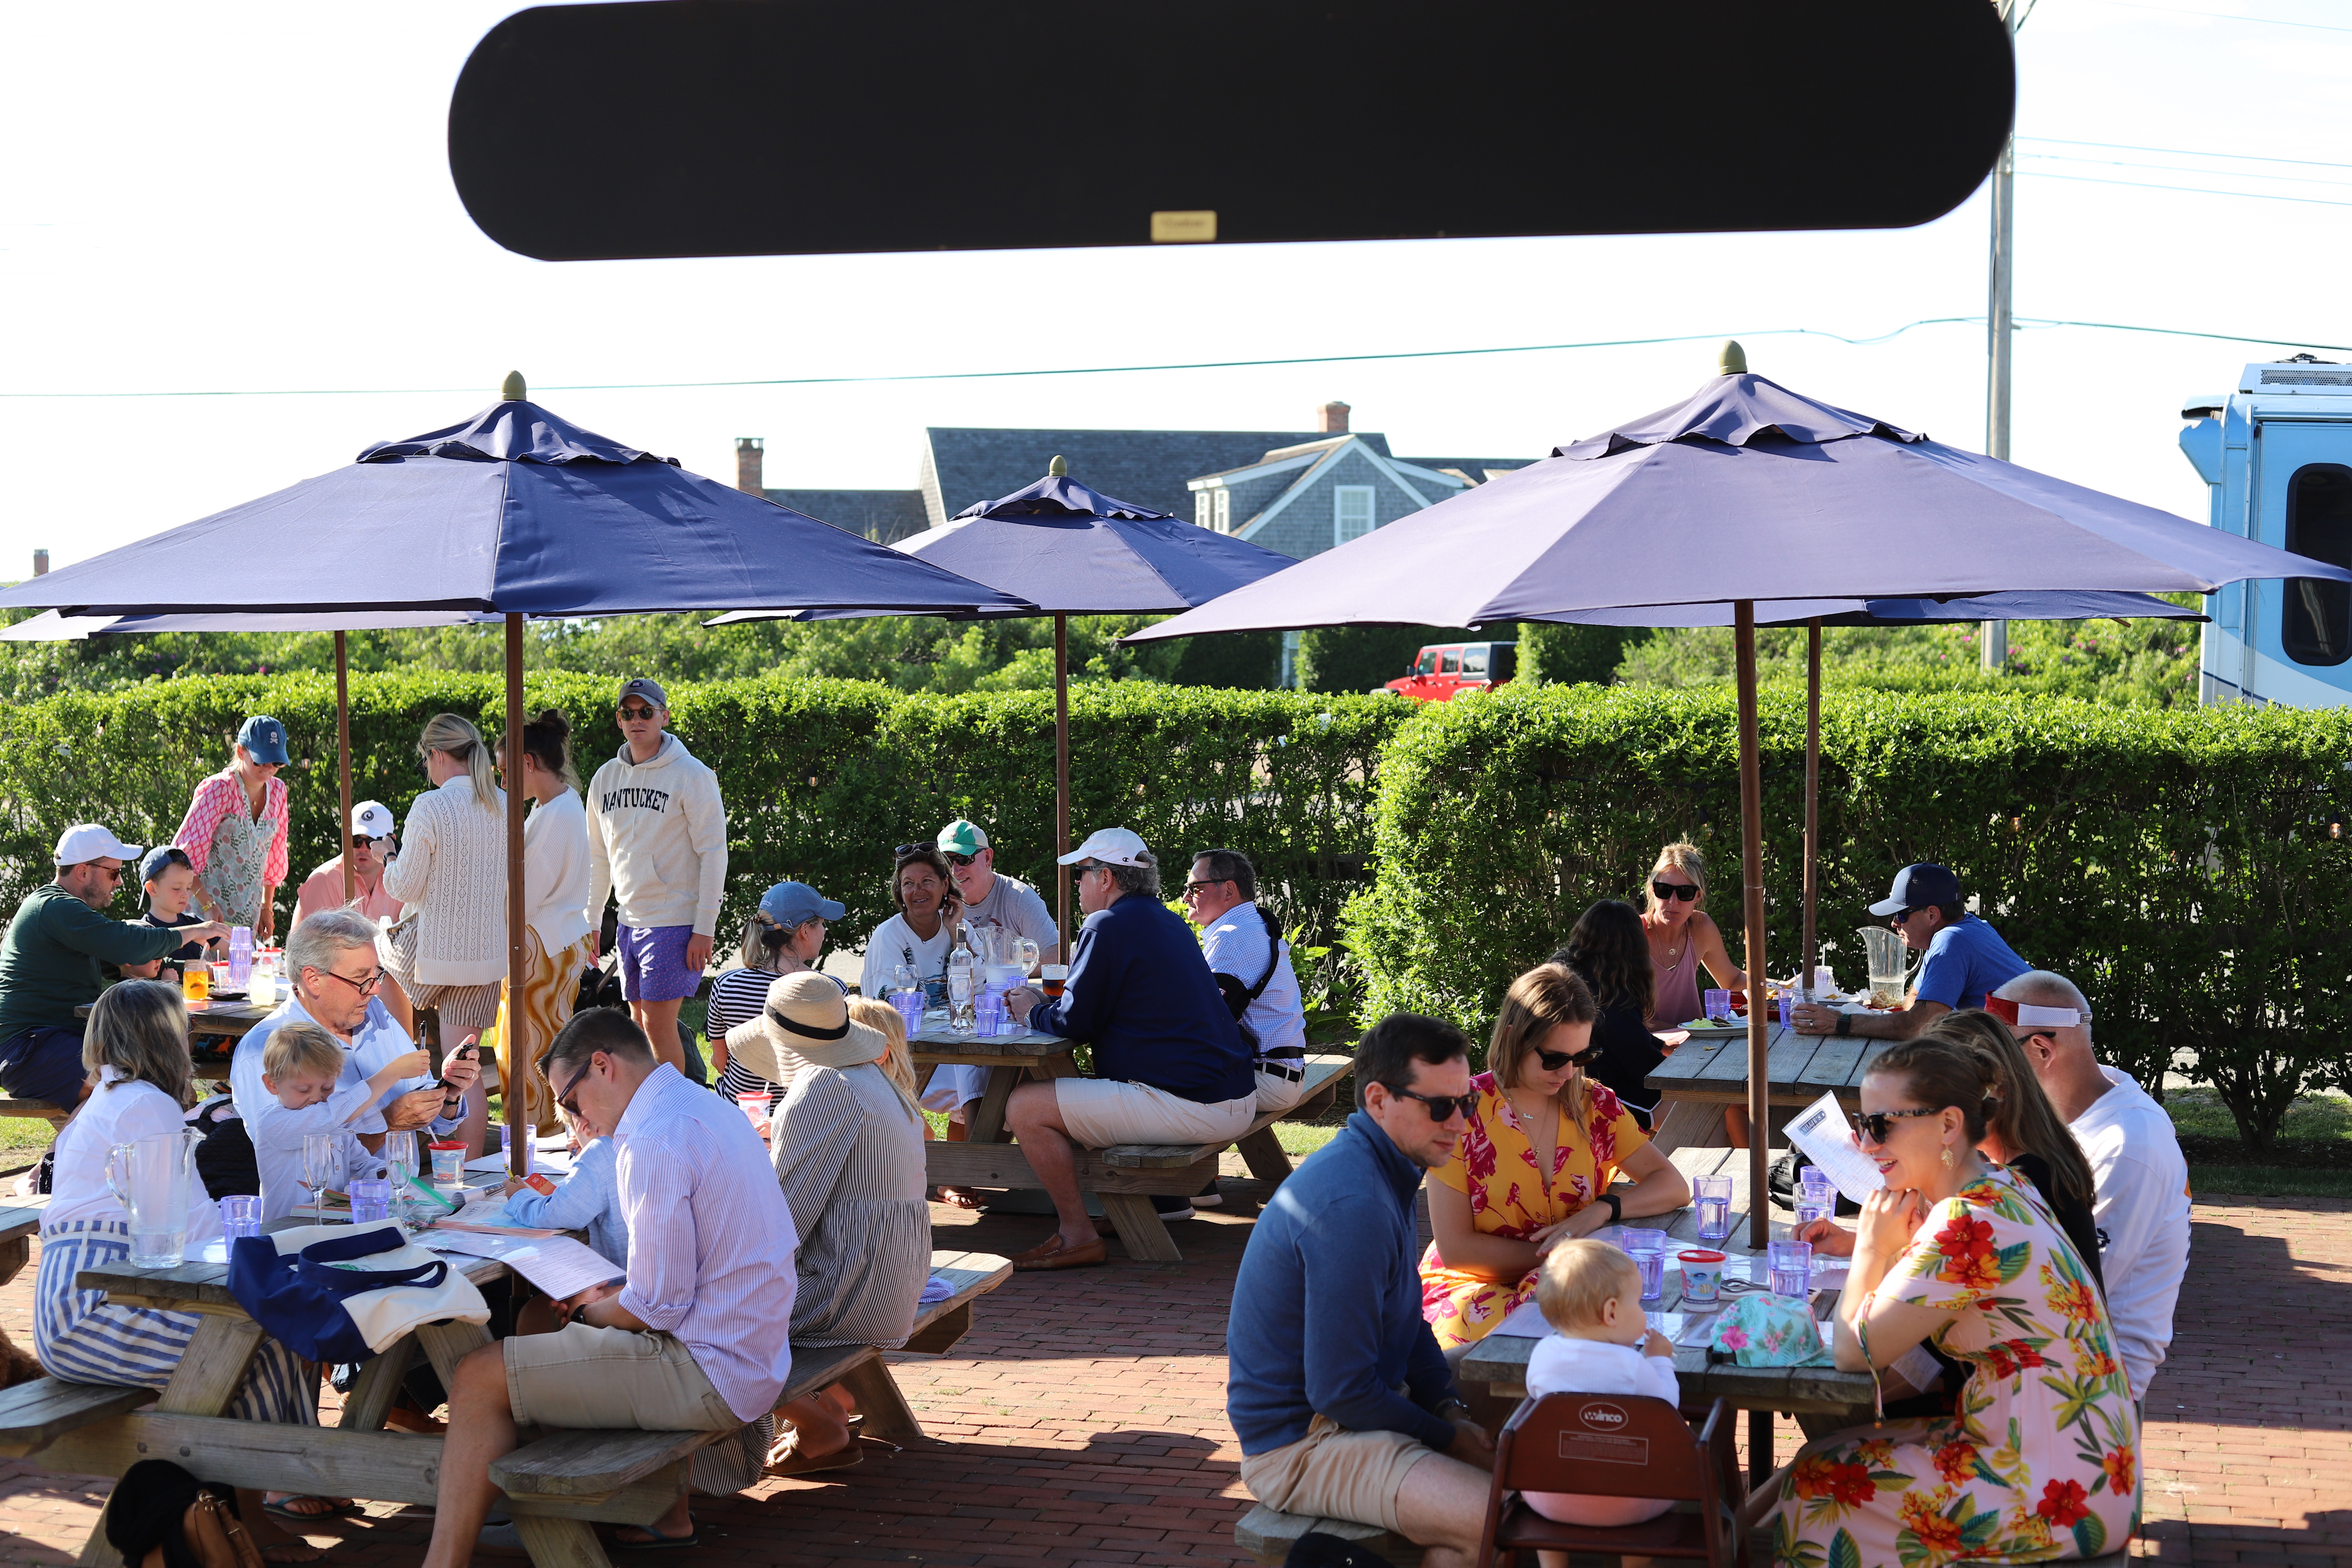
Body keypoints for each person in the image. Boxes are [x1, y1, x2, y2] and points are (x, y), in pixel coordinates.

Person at [1739, 1035, 2136, 1563]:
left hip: (2052, 1486)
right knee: (1819, 1457)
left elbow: (1853, 1353)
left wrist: (1873, 1249)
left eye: (1882, 1125)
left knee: (1821, 1489)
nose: (1865, 1143)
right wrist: (1876, 1244)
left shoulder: (1968, 1219)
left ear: (1949, 1126)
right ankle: (1724, 1542)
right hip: (2074, 1459)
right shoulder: (2005, 1188)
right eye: (1863, 1124)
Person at [420, 1008, 796, 1563]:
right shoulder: (703, 1106)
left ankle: (444, 1561)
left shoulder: (650, 1140)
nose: (577, 1122)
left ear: (603, 1066)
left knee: (477, 1376)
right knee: (531, 1325)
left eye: (570, 1103)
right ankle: (587, 1508)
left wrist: (585, 1311)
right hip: (751, 1353)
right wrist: (592, 1307)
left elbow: (657, 1306)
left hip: (710, 1369)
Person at [34, 980, 325, 1565]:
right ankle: (283, 1489)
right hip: (89, 1311)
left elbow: (179, 1224)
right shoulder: (147, 1105)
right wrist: (280, 1238)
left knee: (254, 1336)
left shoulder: (114, 1099)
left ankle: (266, 1498)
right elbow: (187, 1229)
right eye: (183, 1031)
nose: (192, 1041)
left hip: (78, 1302)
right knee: (256, 1342)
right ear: (162, 1038)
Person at [1226, 1012, 1496, 1568]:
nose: (1461, 1123)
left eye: (1466, 1103)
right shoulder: (1355, 1204)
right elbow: (1341, 1391)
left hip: (1354, 1407)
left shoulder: (1385, 1168)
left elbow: (1407, 1322)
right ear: (1378, 1100)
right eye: (1441, 1106)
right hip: (1302, 1444)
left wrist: (1446, 1406)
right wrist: (1447, 1437)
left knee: (1540, 1376)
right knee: (1499, 1519)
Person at [1003, 828, 1256, 1271]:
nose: (1077, 882)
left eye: (1081, 872)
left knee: (1025, 1106)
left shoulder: (1107, 924)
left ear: (1106, 878)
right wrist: (1050, 1008)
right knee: (1070, 1097)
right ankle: (1113, 1213)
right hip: (1228, 1093)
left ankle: (1076, 1235)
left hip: (1192, 1102)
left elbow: (1074, 1023)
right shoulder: (1165, 919)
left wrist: (1031, 1012)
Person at [1419, 963, 1690, 1353]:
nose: (1567, 1072)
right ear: (1515, 1038)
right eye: (1554, 1058)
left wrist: (1601, 1210)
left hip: (1568, 1281)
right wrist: (1565, 1257)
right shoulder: (1461, 1113)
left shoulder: (1594, 1104)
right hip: (1473, 1285)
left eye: (1582, 1057)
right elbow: (1458, 1249)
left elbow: (1673, 1186)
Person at [726, 974, 928, 1475]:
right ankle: (831, 1405)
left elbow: (781, 1224)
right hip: (893, 1281)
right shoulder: (873, 1079)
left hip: (853, 1291)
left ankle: (820, 1427)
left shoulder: (822, 1086)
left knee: (696, 1318)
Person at [1994, 969, 2190, 1405]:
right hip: (2045, 1358)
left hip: (2089, 1392)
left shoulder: (2128, 1145)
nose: (1989, 1074)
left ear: (2042, 1050)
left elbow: (2068, 1290)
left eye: (1996, 1058)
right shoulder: (2079, 1105)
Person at [232, 909, 479, 1170]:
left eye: (376, 974)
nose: (375, 988)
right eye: (362, 978)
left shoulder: (374, 1014)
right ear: (313, 980)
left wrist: (448, 1092)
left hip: (402, 1196)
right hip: (319, 1209)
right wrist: (388, 1123)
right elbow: (297, 1166)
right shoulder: (264, 1051)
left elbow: (433, 1120)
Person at [0, 825, 225, 1110]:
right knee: (125, 1088)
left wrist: (207, 971)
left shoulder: (68, 913)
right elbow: (128, 945)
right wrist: (194, 932)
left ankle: (69, 1154)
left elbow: (133, 960)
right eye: (114, 873)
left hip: (57, 1042)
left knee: (148, 1079)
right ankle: (61, 1156)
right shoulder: (57, 907)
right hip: (29, 1050)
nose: (118, 883)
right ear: (83, 872)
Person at [585, 677, 729, 1075]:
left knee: (658, 1027)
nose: (637, 719)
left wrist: (705, 927)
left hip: (675, 921)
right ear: (618, 720)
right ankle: (646, 1114)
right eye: (628, 713)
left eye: (646, 711)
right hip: (630, 921)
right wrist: (592, 921)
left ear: (664, 716)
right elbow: (597, 857)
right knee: (636, 1027)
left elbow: (714, 853)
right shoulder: (604, 779)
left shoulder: (692, 775)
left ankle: (672, 1120)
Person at [380, 714, 507, 1149]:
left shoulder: (430, 805)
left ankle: (394, 1074)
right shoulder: (505, 804)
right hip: (486, 958)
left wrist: (388, 858)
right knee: (463, 1071)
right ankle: (467, 1173)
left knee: (376, 953)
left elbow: (405, 886)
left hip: (429, 959)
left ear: (436, 755)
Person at [1521, 1240, 1680, 1531]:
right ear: (1612, 1314)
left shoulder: (1543, 1354)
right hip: (1628, 1502)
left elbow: (1535, 1399)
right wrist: (1660, 1361)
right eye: (1639, 1302)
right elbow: (1667, 1409)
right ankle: (1635, 1564)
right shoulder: (1633, 1367)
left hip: (1548, 1498)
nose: (1643, 1312)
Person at [1790, 862, 2030, 1041]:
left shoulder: (1952, 940)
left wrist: (1841, 1022)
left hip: (2037, 1056)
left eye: (1901, 915)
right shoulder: (1962, 930)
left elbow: (1920, 1026)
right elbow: (1913, 1003)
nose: (1894, 923)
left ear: (1933, 915)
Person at [931, 818, 1062, 1144]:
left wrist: (998, 970)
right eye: (947, 861)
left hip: (1011, 1021)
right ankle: (966, 1167)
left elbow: (1055, 957)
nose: (956, 869)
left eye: (964, 859)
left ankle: (973, 1167)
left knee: (977, 1065)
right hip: (956, 1020)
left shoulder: (1018, 897)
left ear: (987, 858)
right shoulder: (939, 903)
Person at [498, 711, 597, 1133]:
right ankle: (546, 1139)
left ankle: (537, 1145)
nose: (502, 781)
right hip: (552, 943)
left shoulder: (555, 814)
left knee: (525, 1058)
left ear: (528, 763)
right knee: (540, 1052)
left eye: (505, 770)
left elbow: (521, 896)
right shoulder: (557, 804)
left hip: (539, 948)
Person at [1183, 847, 1311, 1124]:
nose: (1185, 898)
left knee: (1146, 1086)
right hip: (1281, 1074)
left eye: (1195, 888)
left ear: (1229, 891)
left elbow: (1206, 1024)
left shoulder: (1231, 937)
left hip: (1265, 1079)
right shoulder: (1256, 924)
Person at [253, 1021, 428, 1222]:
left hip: (331, 1226)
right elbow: (332, 1116)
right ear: (272, 1085)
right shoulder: (273, 1123)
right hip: (284, 1231)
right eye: (304, 1090)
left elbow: (363, 1166)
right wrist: (394, 1072)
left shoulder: (338, 1124)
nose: (316, 1097)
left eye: (327, 1088)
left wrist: (388, 1176)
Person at [707, 881, 846, 1111]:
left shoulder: (726, 984)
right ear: (804, 931)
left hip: (737, 1114)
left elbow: (720, 1062)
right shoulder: (830, 990)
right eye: (821, 924)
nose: (824, 931)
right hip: (800, 1119)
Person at [171, 715, 293, 944]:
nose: (269, 768)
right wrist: (207, 904)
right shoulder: (219, 789)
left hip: (248, 917)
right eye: (261, 761)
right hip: (203, 916)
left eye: (276, 762)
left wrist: (268, 906)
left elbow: (275, 856)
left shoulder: (278, 791)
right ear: (241, 752)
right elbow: (183, 858)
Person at [1553, 899, 1668, 1129]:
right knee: (1699, 1103)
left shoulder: (1564, 975)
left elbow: (1629, 1042)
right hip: (1595, 1097)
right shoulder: (1613, 999)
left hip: (1562, 1089)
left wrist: (1662, 1046)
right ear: (1634, 948)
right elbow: (1645, 1067)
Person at [501, 1104, 629, 1270]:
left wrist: (519, 1197)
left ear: (582, 1124)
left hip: (628, 1284)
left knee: (542, 1297)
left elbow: (556, 1215)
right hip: (656, 1278)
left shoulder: (599, 1153)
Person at [1640, 842, 1746, 1028]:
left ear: (1698, 896)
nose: (1673, 902)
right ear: (1651, 889)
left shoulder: (1700, 927)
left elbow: (1732, 981)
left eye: (1685, 893)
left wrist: (1781, 986)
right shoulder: (1633, 934)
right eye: (1664, 890)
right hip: (1648, 1049)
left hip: (1698, 1049)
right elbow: (1623, 1018)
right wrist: (1682, 1034)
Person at [291, 801, 404, 929]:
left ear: (392, 841)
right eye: (356, 841)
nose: (363, 848)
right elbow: (311, 946)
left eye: (371, 841)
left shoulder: (398, 880)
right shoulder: (323, 880)